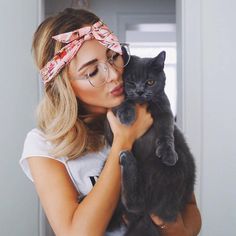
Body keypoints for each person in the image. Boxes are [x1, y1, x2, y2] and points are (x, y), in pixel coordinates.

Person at [20, 8, 201, 236]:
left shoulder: (151, 116)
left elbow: (189, 209)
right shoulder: (44, 144)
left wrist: (172, 228)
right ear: (65, 87)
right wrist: (123, 141)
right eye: (93, 71)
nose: (114, 75)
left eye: (114, 56)